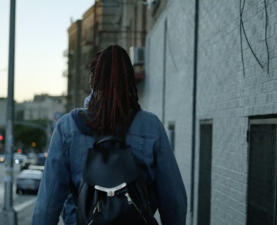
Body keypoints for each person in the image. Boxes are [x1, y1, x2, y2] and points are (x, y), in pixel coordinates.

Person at [31, 44, 187, 225]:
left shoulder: (67, 127)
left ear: (92, 81)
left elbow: (47, 206)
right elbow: (174, 201)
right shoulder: (151, 127)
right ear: (129, 81)